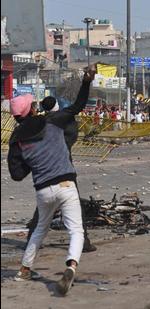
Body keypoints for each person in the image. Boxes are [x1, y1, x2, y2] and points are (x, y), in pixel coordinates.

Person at [8, 66, 95, 295]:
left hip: (43, 190)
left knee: (39, 229)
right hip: (66, 184)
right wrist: (86, 81)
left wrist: (32, 160)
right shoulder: (53, 121)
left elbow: (16, 175)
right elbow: (77, 106)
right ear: (32, 108)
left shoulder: (17, 139)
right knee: (76, 230)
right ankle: (71, 266)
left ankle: (25, 270)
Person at [24, 94, 97, 253]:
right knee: (74, 204)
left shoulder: (41, 123)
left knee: (44, 206)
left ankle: (31, 239)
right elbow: (71, 137)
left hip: (46, 169)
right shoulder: (64, 121)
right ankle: (83, 242)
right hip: (64, 169)